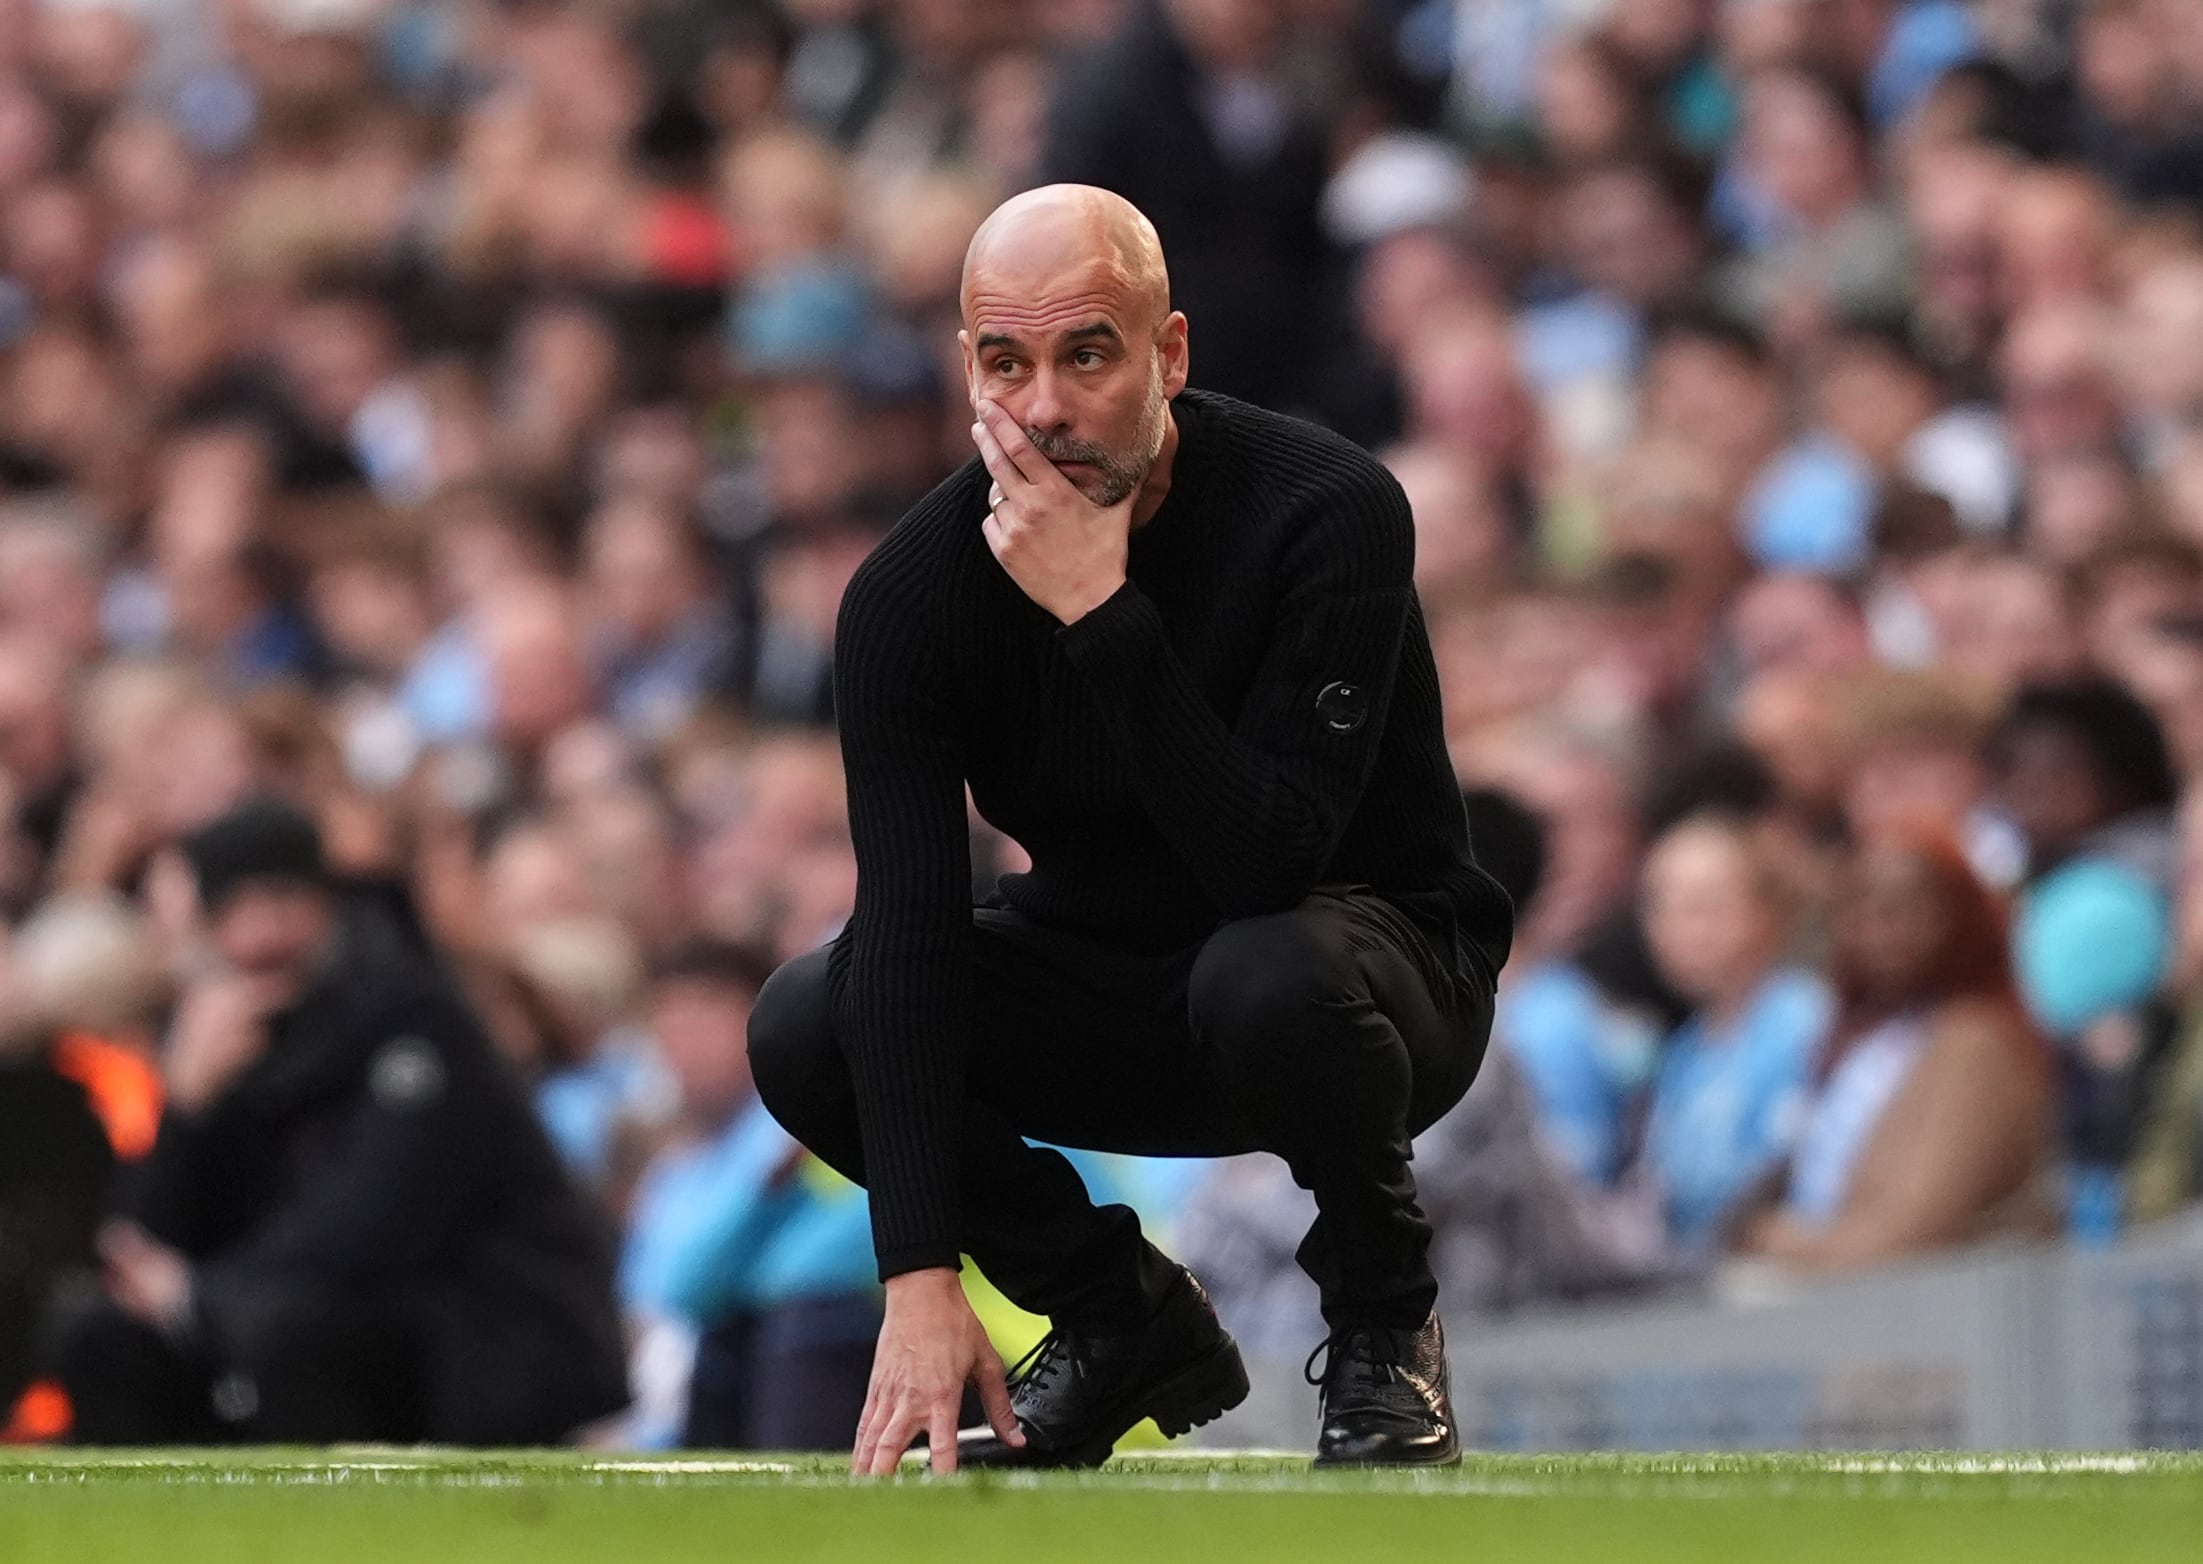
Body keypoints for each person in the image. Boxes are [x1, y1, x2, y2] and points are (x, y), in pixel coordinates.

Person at [747, 184, 1512, 1474]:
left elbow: (1270, 860)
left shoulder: (1327, 507)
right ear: (967, 371)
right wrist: (919, 1276)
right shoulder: (906, 595)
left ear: (1170, 354)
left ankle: (1386, 1326)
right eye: (1006, 362)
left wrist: (1100, 611)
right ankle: (1120, 1313)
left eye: (1086, 352)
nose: (1043, 407)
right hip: (1118, 973)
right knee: (818, 1011)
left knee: (1266, 962)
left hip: (1372, 983)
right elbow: (915, 937)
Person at [54, 796, 629, 1445]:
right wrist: (185, 1107)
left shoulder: (414, 1026)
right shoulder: (218, 1038)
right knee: (99, 1332)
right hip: (293, 1314)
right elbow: (138, 1240)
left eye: (281, 900)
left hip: (471, 1337)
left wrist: (200, 1298)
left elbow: (372, 1227)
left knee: (292, 1329)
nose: (261, 933)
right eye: (235, 909)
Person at [1740, 834, 2056, 1270]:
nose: (1880, 931)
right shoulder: (1857, 1040)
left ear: (1959, 916)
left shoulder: (1979, 1045)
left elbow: (1914, 1228)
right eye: (1860, 909)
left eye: (1906, 909)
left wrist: (1779, 1243)